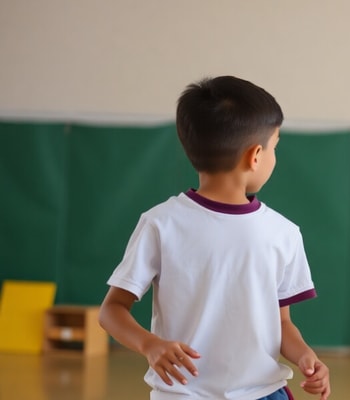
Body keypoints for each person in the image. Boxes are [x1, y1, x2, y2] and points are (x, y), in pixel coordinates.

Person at [99, 76, 331, 400]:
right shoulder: (161, 224)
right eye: (275, 147)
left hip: (263, 392)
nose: (275, 157)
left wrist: (305, 354)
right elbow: (111, 310)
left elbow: (281, 325)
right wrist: (149, 345)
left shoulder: (283, 233)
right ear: (255, 155)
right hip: (183, 395)